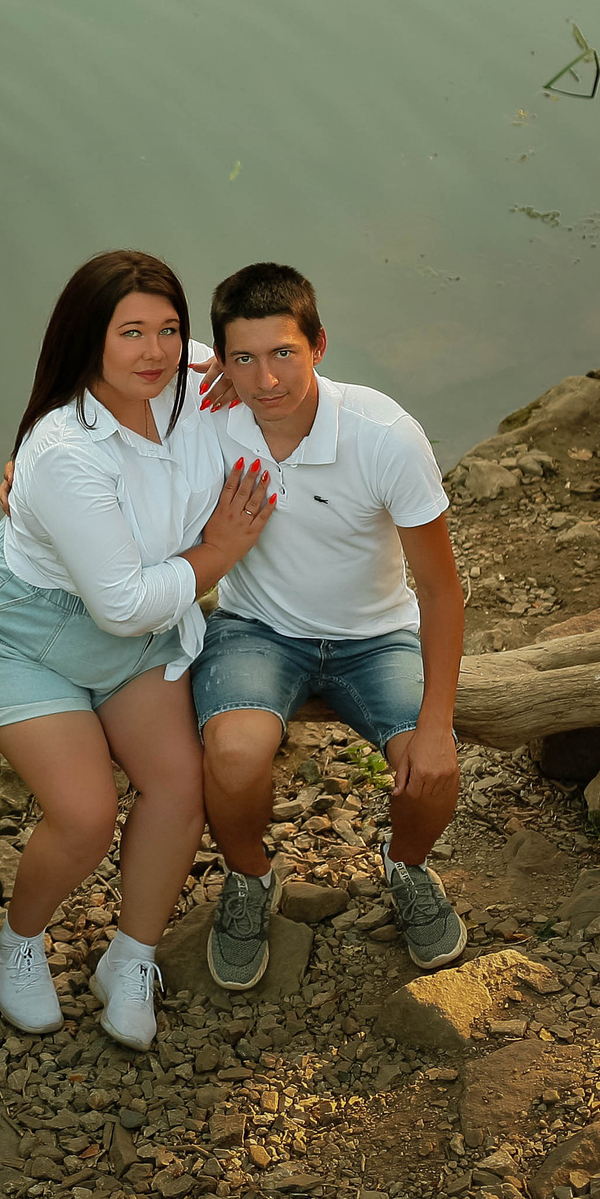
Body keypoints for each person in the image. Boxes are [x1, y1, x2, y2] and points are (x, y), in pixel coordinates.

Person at [0, 250, 275, 1050]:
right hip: (27, 631)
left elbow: (271, 362)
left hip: (137, 632)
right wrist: (220, 552)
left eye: (168, 328)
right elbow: (124, 601)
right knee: (86, 814)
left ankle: (130, 957)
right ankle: (19, 940)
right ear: (87, 339)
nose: (155, 351)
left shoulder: (199, 379)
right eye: (130, 331)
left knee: (178, 788)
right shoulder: (65, 451)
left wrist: (245, 370)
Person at [187, 263, 468, 989]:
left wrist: (436, 722)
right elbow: (109, 359)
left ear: (318, 344)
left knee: (434, 772)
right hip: (258, 628)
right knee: (236, 751)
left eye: (284, 352)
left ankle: (403, 864)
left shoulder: (386, 437)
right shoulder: (205, 403)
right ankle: (251, 876)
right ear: (219, 359)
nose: (265, 379)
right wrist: (22, 465)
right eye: (242, 358)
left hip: (376, 636)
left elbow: (440, 589)